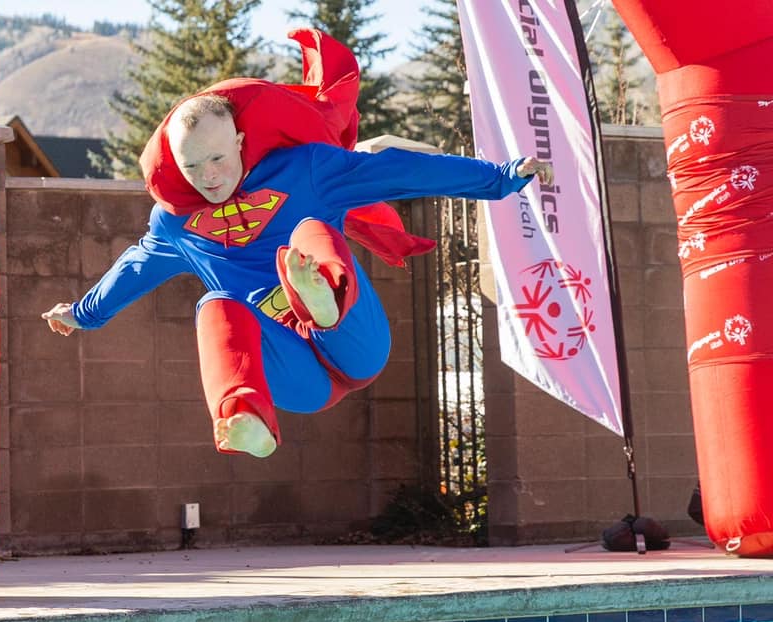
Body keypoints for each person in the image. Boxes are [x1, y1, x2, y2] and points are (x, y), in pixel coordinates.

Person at [43, 93, 553, 458]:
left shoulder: (305, 169)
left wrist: (499, 179)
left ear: (241, 141)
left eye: (219, 158)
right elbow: (135, 268)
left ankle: (321, 295)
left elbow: (401, 171)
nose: (211, 177)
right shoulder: (174, 222)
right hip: (296, 379)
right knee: (215, 304)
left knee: (310, 230)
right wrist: (84, 314)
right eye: (193, 167)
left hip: (355, 340)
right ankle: (246, 418)